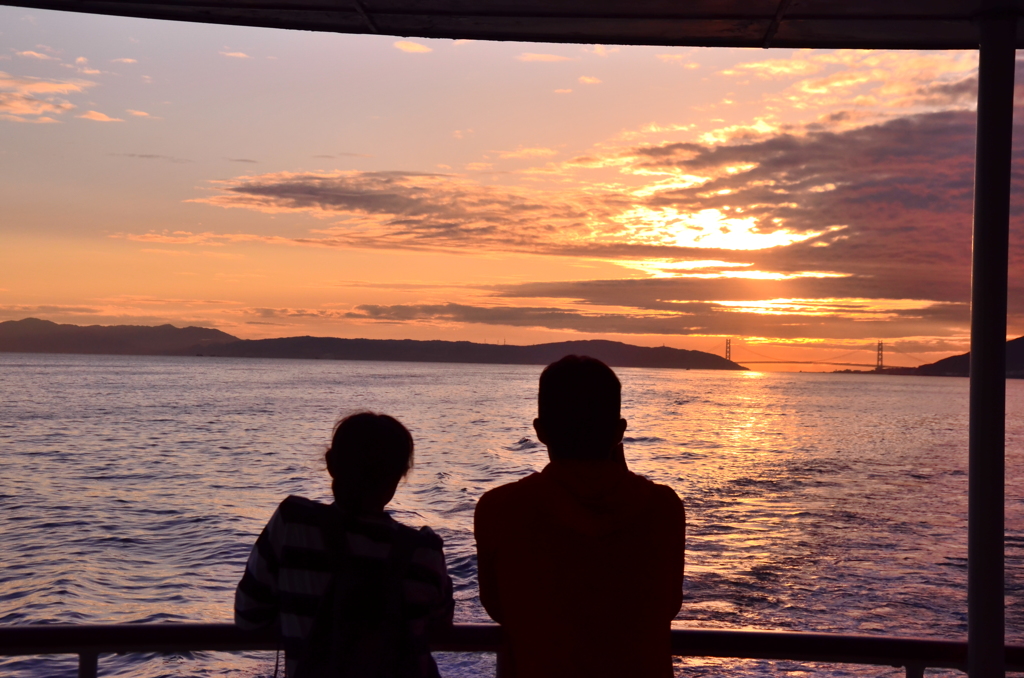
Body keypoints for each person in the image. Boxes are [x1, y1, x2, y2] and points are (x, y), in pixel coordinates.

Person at [474, 356, 685, 678]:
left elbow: (497, 608)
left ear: (540, 431)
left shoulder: (499, 508)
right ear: (619, 432)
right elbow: (668, 606)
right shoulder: (663, 507)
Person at [235, 412, 454, 678]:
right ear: (400, 477)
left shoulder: (293, 523)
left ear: (331, 464)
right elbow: (440, 628)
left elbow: (249, 616)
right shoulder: (425, 550)